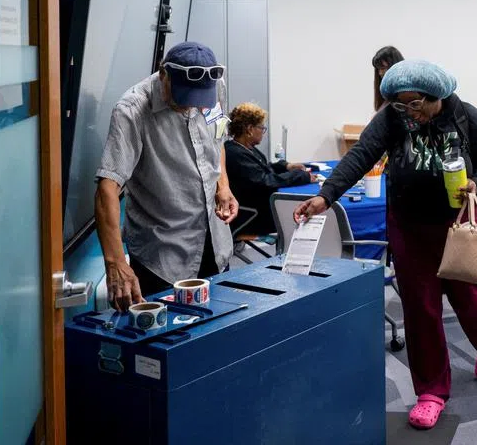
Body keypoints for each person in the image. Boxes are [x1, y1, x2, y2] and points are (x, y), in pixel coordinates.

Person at [294, 60, 477, 430]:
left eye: (416, 103)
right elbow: (360, 157)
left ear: (436, 96)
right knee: (420, 309)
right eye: (401, 103)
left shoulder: (465, 115)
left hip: (457, 225)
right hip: (409, 226)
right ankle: (431, 392)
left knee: (469, 297)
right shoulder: (392, 118)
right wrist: (326, 197)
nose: (410, 112)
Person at [94, 42, 239, 311]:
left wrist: (223, 185)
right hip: (162, 255)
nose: (190, 107)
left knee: (218, 328)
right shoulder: (132, 109)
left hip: (214, 241)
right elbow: (107, 186)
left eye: (199, 100)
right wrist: (116, 263)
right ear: (164, 75)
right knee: (165, 341)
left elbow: (217, 138)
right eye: (183, 98)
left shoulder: (215, 89)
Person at [224, 102, 317, 235]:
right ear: (250, 129)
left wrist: (286, 166)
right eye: (261, 127)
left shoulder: (243, 148)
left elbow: (264, 168)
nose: (263, 131)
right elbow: (265, 180)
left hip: (257, 210)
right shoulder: (235, 154)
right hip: (253, 217)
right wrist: (300, 175)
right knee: (301, 212)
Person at [372, 45, 404, 112]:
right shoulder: (386, 99)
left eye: (383, 68)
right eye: (378, 69)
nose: (380, 73)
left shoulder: (403, 98)